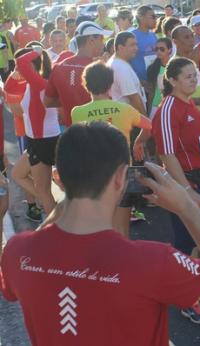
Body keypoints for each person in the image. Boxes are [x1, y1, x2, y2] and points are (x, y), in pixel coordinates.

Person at [0, 121, 200, 344]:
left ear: (58, 177)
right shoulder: (153, 261)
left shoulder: (16, 251)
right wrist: (187, 208)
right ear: (121, 178)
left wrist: (65, 202)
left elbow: (13, 284)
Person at [151, 57, 200, 324]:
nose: (194, 80)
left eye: (195, 75)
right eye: (188, 76)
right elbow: (166, 154)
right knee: (184, 241)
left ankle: (197, 287)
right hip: (185, 184)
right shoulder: (168, 108)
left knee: (199, 238)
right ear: (172, 80)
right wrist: (186, 190)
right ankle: (185, 299)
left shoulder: (188, 103)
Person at [71, 61, 152, 236]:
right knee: (122, 227)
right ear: (110, 85)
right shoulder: (124, 109)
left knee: (98, 226)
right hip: (122, 175)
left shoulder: (77, 112)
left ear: (86, 85)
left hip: (94, 177)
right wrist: (139, 142)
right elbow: (149, 126)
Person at [7, 46, 59, 217]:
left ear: (30, 65)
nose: (16, 69)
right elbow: (8, 88)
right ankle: (54, 206)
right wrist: (15, 75)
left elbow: (22, 62)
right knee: (17, 174)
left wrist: (37, 49)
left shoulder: (39, 83)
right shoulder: (34, 83)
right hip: (37, 141)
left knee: (42, 190)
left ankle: (55, 224)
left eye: (17, 66)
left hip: (42, 141)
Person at [44, 22, 111, 127]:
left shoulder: (58, 67)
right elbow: (110, 102)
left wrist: (68, 101)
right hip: (97, 132)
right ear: (91, 41)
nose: (103, 44)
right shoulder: (99, 69)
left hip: (71, 133)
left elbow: (47, 102)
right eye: (102, 40)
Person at [108, 31, 148, 163]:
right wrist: (146, 124)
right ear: (120, 47)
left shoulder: (118, 63)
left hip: (126, 121)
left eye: (136, 44)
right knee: (136, 166)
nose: (136, 48)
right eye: (131, 45)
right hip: (132, 124)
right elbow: (133, 97)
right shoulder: (120, 67)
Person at [130, 6, 158, 82]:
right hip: (139, 85)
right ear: (141, 18)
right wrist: (140, 81)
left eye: (156, 17)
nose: (155, 19)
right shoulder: (131, 36)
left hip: (154, 81)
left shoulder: (153, 35)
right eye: (153, 17)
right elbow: (125, 61)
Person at [147, 37, 173, 119]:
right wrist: (149, 110)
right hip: (156, 105)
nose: (158, 51)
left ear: (169, 50)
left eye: (162, 49)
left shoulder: (175, 67)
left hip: (172, 105)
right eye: (156, 49)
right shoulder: (152, 68)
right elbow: (151, 91)